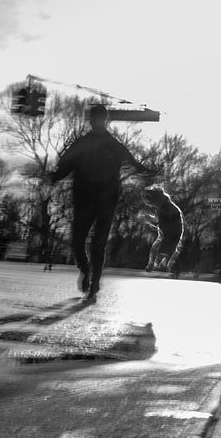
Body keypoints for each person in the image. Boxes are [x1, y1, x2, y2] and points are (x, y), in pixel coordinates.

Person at [50, 104, 156, 301]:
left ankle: (91, 277)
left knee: (85, 241)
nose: (93, 121)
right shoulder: (107, 144)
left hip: (91, 199)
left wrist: (54, 176)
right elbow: (135, 164)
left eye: (94, 118)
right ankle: (91, 278)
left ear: (97, 120)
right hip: (101, 199)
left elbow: (65, 165)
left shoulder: (89, 143)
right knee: (91, 242)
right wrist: (150, 171)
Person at [142, 185, 184, 275]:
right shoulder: (161, 208)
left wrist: (155, 223)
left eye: (152, 203)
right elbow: (158, 219)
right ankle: (153, 264)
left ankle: (166, 265)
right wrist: (149, 218)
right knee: (155, 248)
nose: (153, 206)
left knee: (166, 250)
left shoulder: (169, 207)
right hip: (165, 232)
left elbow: (169, 221)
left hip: (172, 233)